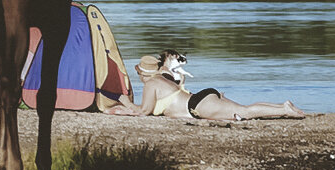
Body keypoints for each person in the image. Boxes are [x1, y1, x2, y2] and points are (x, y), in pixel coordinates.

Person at [108, 50, 306, 121]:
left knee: (244, 112)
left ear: (143, 74)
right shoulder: (162, 78)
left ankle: (284, 109)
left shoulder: (152, 83)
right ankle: (282, 106)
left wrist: (124, 102)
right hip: (201, 99)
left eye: (138, 74)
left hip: (197, 105)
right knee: (243, 110)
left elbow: (144, 111)